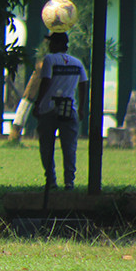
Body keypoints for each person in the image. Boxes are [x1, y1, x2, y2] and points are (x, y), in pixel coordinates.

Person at [34, 32, 88, 191]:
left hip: (49, 108)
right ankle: (69, 182)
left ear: (58, 44)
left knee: (46, 146)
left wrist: (38, 103)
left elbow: (46, 81)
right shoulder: (77, 63)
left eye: (52, 43)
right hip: (69, 108)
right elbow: (83, 83)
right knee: (69, 147)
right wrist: (82, 108)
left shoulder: (50, 59)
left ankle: (51, 180)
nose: (49, 46)